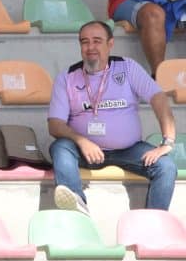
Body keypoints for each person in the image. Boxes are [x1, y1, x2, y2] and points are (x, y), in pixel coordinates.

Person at [48, 21, 176, 213]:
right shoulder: (67, 77)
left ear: (110, 44)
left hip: (128, 149)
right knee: (60, 147)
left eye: (97, 41)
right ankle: (77, 206)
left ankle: (152, 221)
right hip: (84, 151)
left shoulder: (127, 67)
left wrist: (167, 142)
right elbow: (55, 124)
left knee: (166, 166)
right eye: (84, 42)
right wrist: (82, 141)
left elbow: (159, 99)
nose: (90, 47)